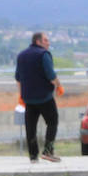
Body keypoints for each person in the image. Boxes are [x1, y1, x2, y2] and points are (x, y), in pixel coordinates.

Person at [14, 31, 62, 163]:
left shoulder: (21, 56)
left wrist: (21, 96)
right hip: (45, 97)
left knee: (31, 127)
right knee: (52, 121)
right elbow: (51, 75)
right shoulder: (43, 54)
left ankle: (33, 156)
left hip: (28, 98)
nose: (48, 43)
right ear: (38, 42)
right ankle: (48, 151)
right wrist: (59, 86)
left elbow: (18, 79)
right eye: (46, 40)